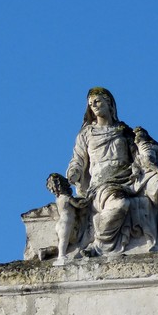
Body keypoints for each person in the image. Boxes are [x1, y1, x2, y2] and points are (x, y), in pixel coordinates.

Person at [66, 87, 137, 255]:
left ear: (109, 103)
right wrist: (73, 173)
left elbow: (139, 154)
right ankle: (98, 243)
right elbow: (78, 159)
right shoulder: (86, 134)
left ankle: (97, 244)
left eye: (97, 101)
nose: (94, 106)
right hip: (101, 183)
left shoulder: (124, 132)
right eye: (91, 104)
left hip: (125, 178)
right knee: (119, 204)